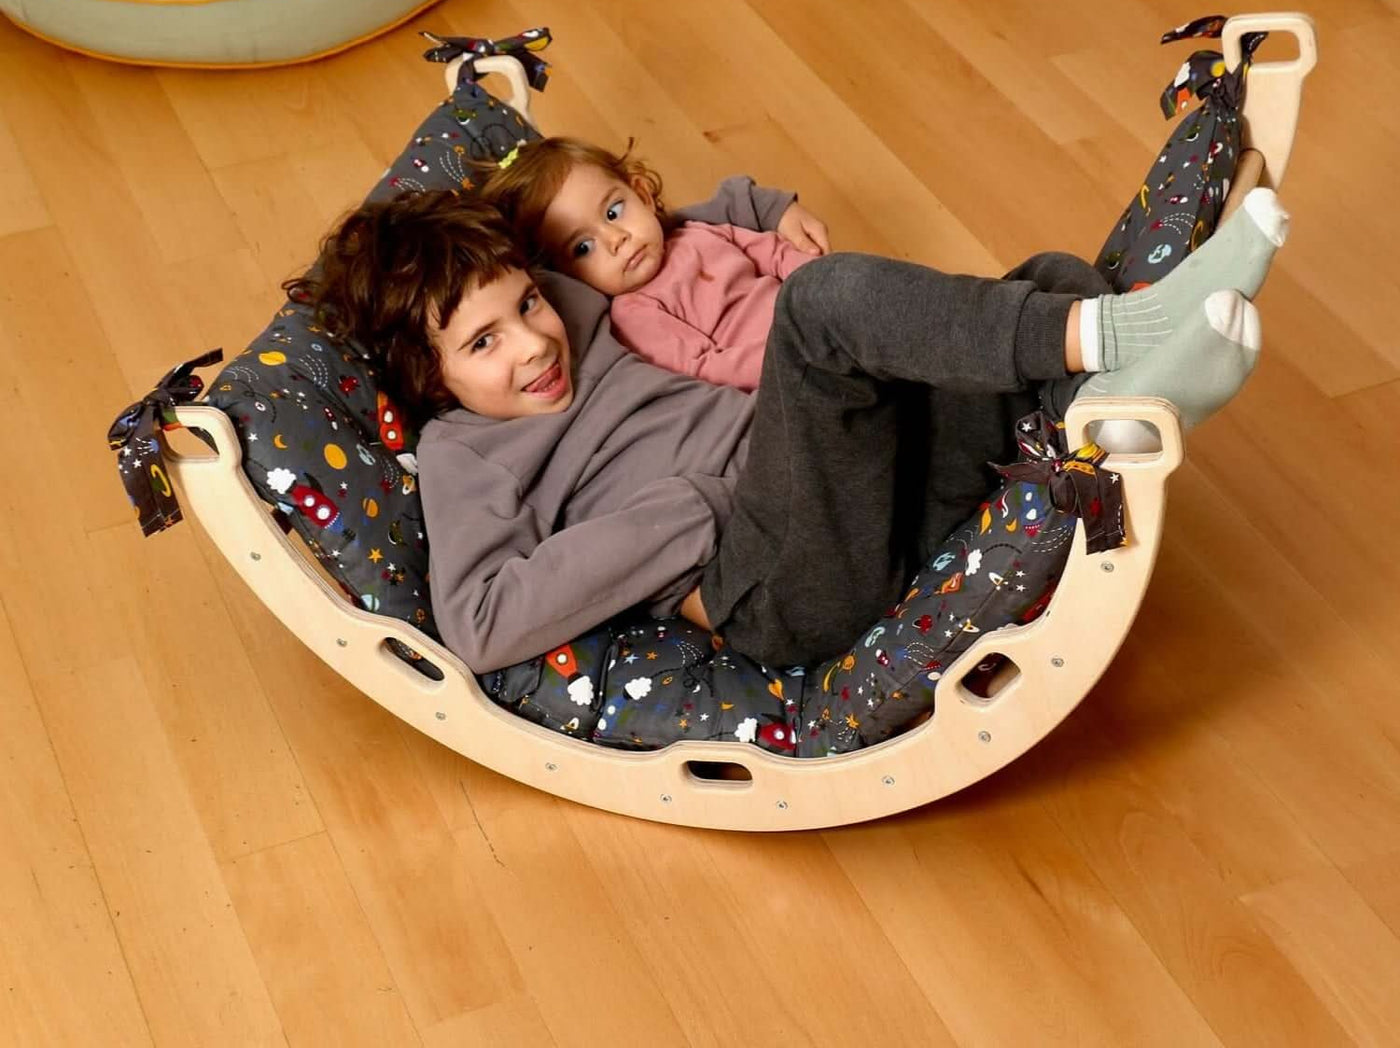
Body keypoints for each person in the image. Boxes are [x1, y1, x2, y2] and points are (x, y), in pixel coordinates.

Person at [294, 179, 1288, 675]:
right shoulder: (460, 450)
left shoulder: (567, 295)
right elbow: (474, 620)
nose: (532, 342)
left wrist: (766, 209)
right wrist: (678, 514)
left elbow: (657, 219)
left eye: (527, 303)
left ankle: (1128, 399)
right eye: (483, 344)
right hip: (767, 580)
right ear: (426, 376)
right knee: (821, 308)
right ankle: (1136, 331)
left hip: (851, 499)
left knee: (1034, 283)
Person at [481, 136, 827, 391]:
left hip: (815, 321)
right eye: (584, 247)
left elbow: (772, 252)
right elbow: (707, 368)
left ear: (642, 194)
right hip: (787, 374)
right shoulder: (636, 314)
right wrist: (793, 355)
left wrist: (822, 288)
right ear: (566, 276)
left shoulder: (695, 232)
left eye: (614, 212)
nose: (616, 238)